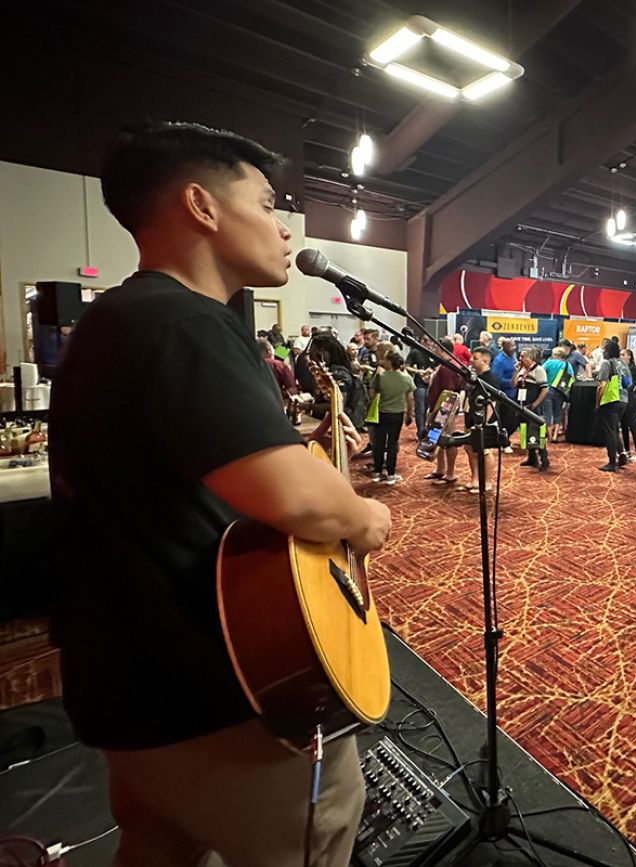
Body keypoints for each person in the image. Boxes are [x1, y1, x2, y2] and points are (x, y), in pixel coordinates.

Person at [49, 121, 388, 865]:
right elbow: (300, 501)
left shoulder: (119, 319)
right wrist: (365, 514)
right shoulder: (181, 319)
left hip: (133, 686)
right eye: (268, 203)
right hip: (212, 696)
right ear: (202, 206)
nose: (283, 225)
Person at [369, 350, 414, 484]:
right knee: (393, 443)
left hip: (382, 412)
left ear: (390, 362)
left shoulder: (380, 377)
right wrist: (409, 414)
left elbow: (371, 394)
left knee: (379, 442)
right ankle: (391, 473)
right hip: (397, 413)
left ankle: (377, 472)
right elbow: (410, 398)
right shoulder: (407, 378)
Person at [426, 338, 464, 486]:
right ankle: (440, 469)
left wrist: (440, 413)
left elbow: (448, 392)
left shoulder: (447, 367)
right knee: (439, 440)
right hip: (439, 408)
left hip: (444, 409)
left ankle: (450, 473)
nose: (434, 351)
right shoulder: (444, 365)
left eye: (436, 348)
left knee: (447, 440)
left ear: (442, 349)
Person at [462, 346, 499, 494]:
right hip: (470, 418)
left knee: (485, 451)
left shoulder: (490, 380)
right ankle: (475, 480)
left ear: (485, 361)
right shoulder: (475, 377)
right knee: (470, 449)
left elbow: (493, 403)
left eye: (475, 358)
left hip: (483, 421)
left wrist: (485, 422)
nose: (471, 360)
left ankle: (487, 482)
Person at [594, 337, 629, 472]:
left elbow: (601, 385)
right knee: (615, 428)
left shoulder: (606, 364)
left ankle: (612, 462)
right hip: (623, 400)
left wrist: (597, 402)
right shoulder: (623, 363)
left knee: (609, 431)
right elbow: (628, 383)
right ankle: (622, 455)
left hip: (610, 400)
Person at [516, 348, 551, 472]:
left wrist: (535, 404)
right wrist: (516, 371)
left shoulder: (539, 370)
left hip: (533, 408)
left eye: (523, 356)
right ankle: (532, 458)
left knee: (537, 433)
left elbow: (544, 389)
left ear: (530, 358)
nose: (520, 359)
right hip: (521, 406)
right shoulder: (521, 370)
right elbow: (514, 384)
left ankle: (544, 459)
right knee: (525, 432)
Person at [491, 338, 518, 452]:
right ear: (504, 347)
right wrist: (511, 382)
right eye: (511, 346)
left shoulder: (514, 356)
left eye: (514, 346)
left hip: (515, 393)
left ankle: (503, 439)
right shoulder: (499, 361)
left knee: (515, 420)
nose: (514, 348)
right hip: (504, 395)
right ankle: (504, 443)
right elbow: (496, 379)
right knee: (505, 420)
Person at [541, 346, 569, 441]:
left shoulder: (549, 363)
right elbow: (571, 378)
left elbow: (541, 372)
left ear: (554, 354)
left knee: (547, 413)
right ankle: (555, 435)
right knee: (558, 413)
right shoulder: (567, 365)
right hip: (560, 392)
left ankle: (549, 435)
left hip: (548, 390)